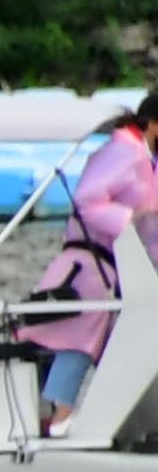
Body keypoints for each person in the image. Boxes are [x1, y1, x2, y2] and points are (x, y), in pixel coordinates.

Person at [26, 89, 158, 430]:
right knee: (78, 339)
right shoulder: (124, 153)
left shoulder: (144, 160)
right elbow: (88, 201)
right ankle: (60, 418)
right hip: (89, 267)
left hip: (116, 272)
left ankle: (123, 420)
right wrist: (130, 217)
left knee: (121, 345)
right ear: (154, 125)